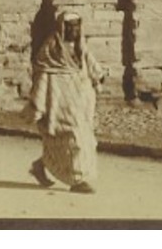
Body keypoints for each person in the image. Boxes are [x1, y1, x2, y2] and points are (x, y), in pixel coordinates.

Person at [27, 10, 106, 194]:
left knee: (76, 139)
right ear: (62, 27)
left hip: (82, 101)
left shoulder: (80, 47)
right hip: (60, 100)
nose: (74, 30)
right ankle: (78, 180)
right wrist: (39, 102)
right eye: (70, 27)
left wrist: (98, 78)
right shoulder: (52, 48)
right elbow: (43, 72)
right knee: (75, 138)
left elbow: (92, 66)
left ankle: (41, 165)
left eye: (77, 26)